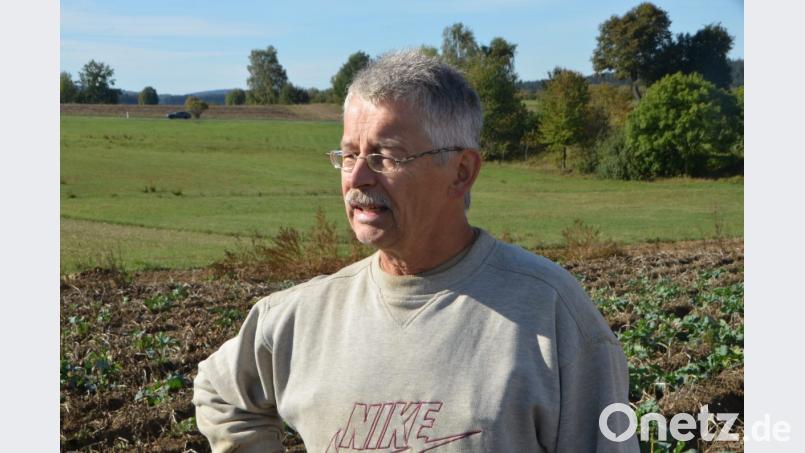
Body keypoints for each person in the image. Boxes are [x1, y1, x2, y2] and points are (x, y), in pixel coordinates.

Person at [193, 49, 639, 453]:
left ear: (461, 172)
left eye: (387, 155)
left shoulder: (550, 314)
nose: (358, 178)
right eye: (349, 155)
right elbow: (220, 392)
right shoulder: (299, 317)